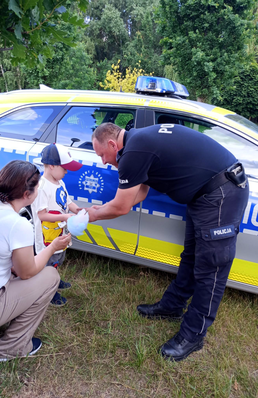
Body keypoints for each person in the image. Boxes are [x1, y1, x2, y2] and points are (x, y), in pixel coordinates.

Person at [88, 122, 249, 361]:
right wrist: (105, 209)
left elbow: (121, 206)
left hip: (221, 193)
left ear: (112, 144)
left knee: (211, 269)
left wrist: (93, 215)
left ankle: (193, 335)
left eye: (102, 154)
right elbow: (139, 192)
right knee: (191, 257)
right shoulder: (138, 142)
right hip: (205, 194)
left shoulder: (134, 152)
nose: (103, 161)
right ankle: (172, 306)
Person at [0, 160, 71, 361]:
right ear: (27, 195)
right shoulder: (17, 224)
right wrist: (53, 247)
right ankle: (13, 347)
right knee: (50, 276)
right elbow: (26, 272)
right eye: (37, 186)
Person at [31, 143, 82, 306]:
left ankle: (54, 279)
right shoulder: (42, 187)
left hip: (59, 232)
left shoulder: (60, 183)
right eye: (65, 168)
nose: (67, 172)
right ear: (51, 166)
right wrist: (66, 216)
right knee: (48, 262)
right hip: (47, 236)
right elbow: (42, 214)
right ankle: (48, 291)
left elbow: (67, 201)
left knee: (58, 258)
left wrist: (77, 209)